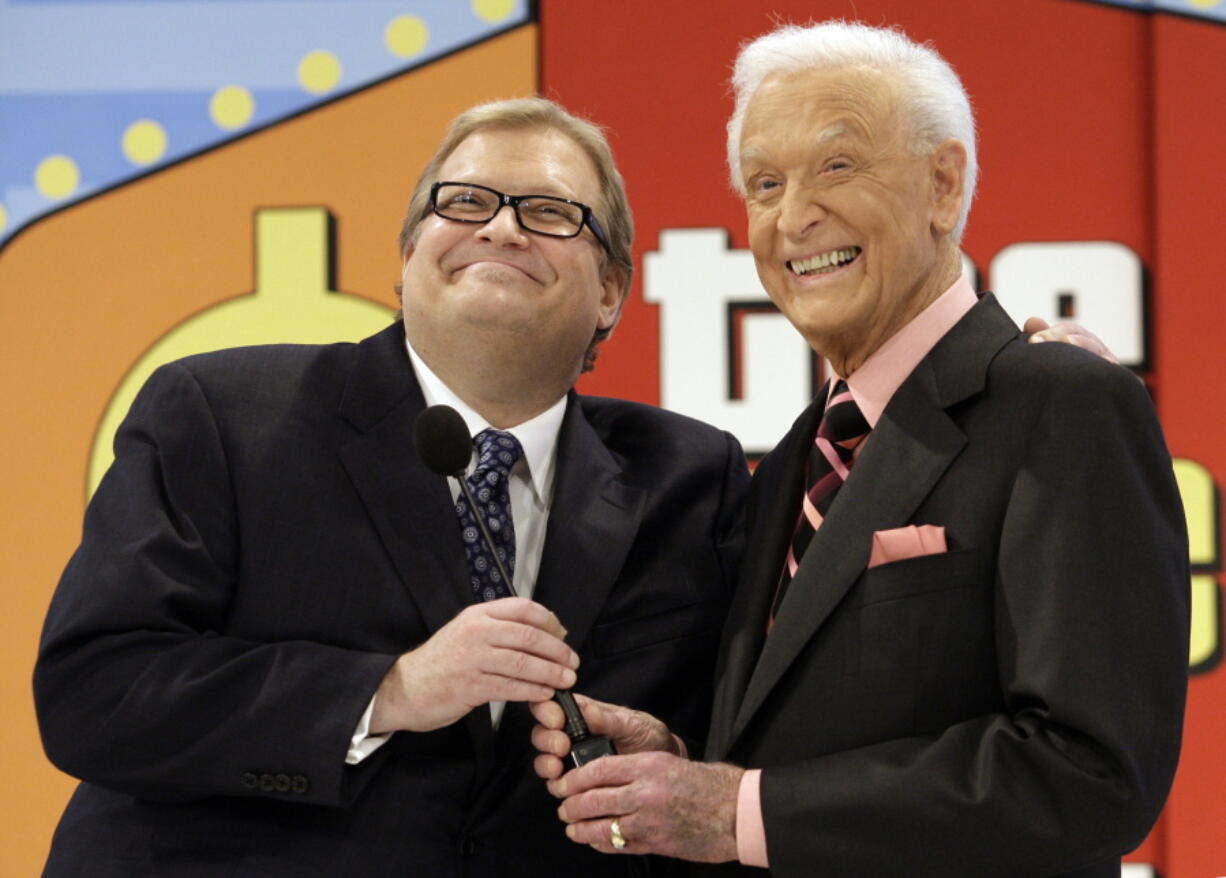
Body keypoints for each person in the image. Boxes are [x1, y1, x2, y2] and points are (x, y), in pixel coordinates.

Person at [533, 22, 1189, 877]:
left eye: (837, 167)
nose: (794, 216)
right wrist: (689, 764)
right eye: (764, 183)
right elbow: (823, 739)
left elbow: (1089, 775)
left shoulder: (1063, 403)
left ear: (943, 185)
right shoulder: (800, 454)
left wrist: (738, 811)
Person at [33, 97, 748, 877]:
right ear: (408, 256)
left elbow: (746, 729)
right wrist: (389, 690)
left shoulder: (690, 477)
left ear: (611, 292)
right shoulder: (225, 413)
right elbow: (95, 696)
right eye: (466, 201)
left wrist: (676, 763)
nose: (502, 229)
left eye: (550, 213)